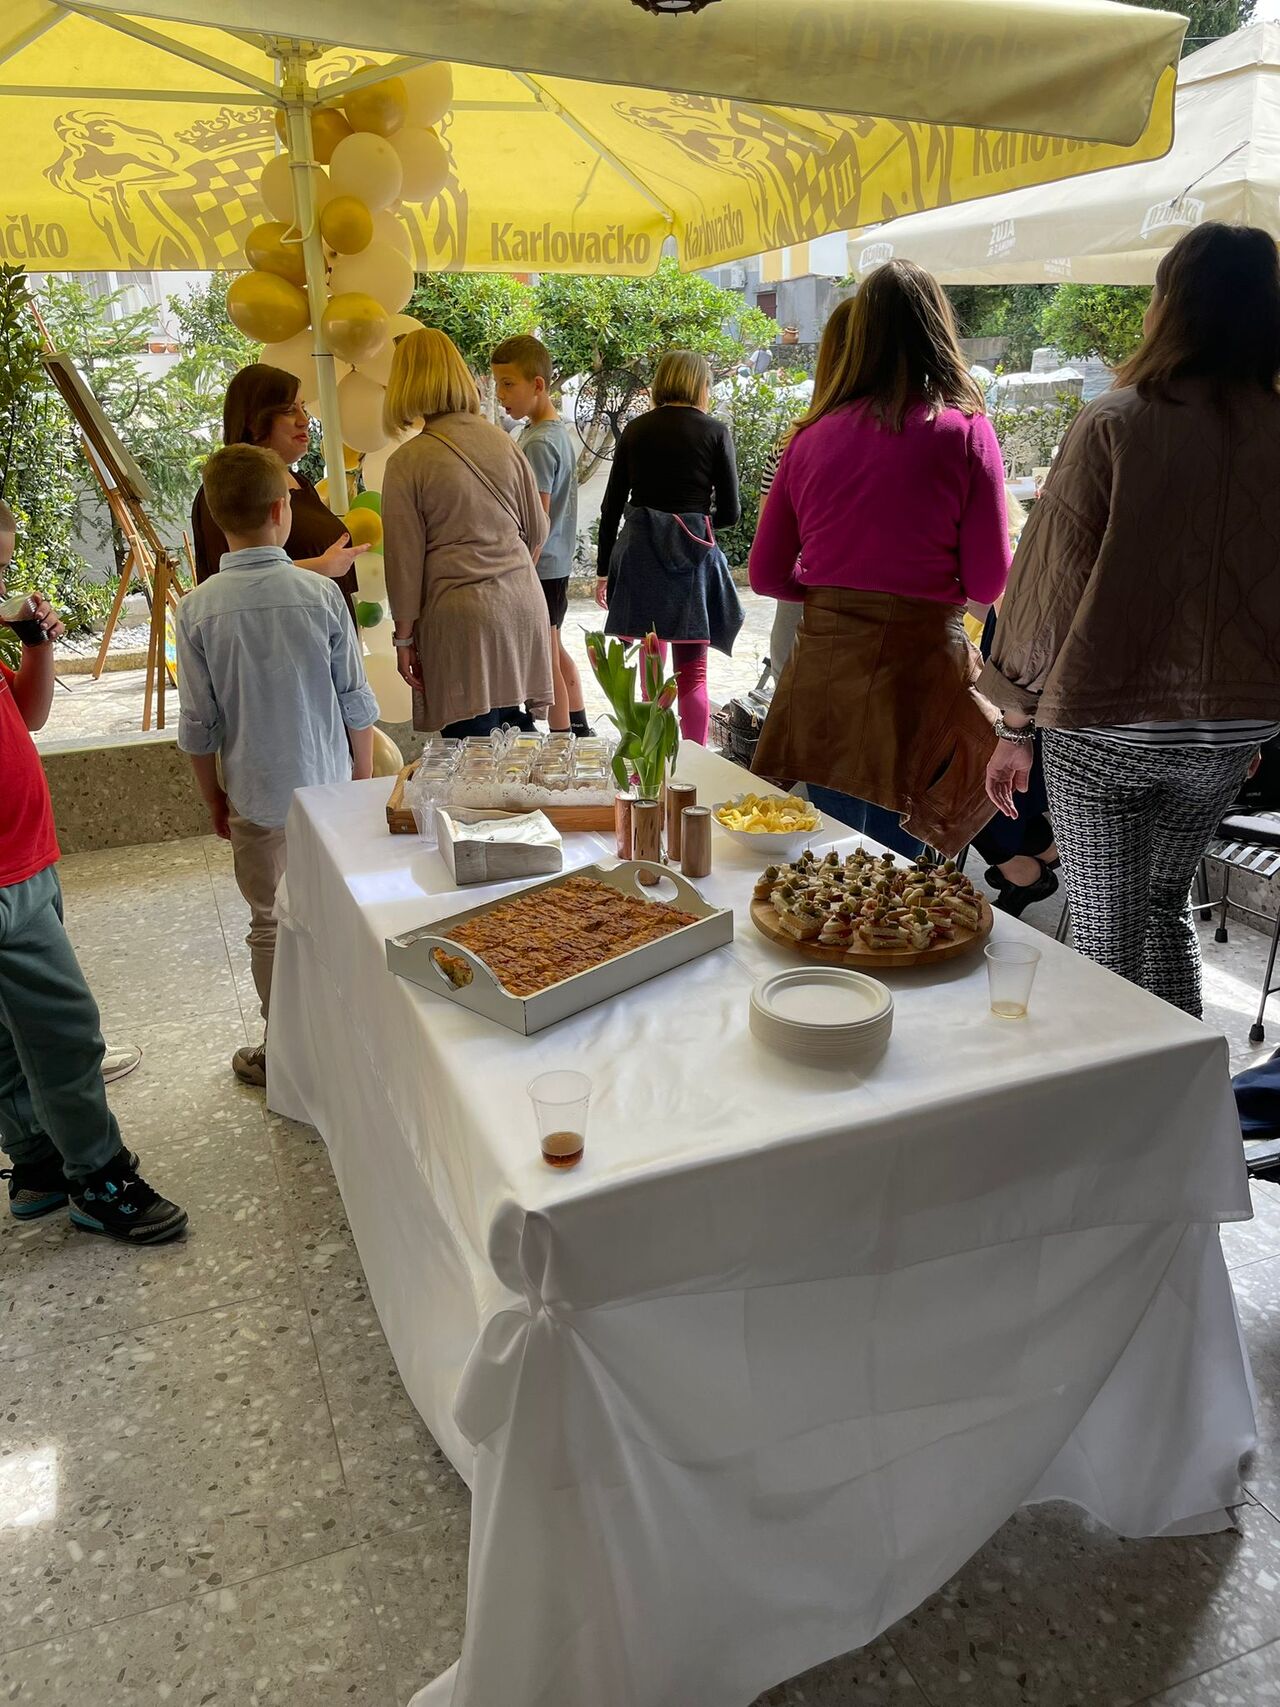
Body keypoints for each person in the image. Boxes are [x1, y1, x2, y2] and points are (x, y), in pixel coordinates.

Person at [982, 222, 1280, 1017]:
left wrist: (1014, 723)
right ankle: (1180, 1083)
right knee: (1163, 908)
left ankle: (1115, 1090)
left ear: (1170, 307)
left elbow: (1048, 590)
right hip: (1228, 736)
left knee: (1106, 939)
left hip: (1105, 727)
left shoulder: (1116, 421)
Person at [749, 260, 1010, 857]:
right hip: (919, 676)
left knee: (836, 858)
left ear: (860, 333)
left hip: (825, 675)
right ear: (939, 329)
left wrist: (835, 582)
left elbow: (764, 574)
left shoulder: (809, 436)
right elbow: (988, 580)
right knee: (899, 874)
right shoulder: (966, 432)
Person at [0, 501, 186, 1241]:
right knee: (64, 1030)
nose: (2, 585)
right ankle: (99, 1176)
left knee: (15, 1034)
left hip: (26, 861)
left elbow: (29, 715)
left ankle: (39, 1160)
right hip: (4, 880)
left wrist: (34, 647)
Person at [177, 446, 379, 1085]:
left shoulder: (196, 608)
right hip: (328, 793)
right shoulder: (321, 594)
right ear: (278, 510)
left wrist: (214, 797)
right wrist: (361, 783)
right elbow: (355, 702)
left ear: (218, 518)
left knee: (268, 922)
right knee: (336, 911)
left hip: (254, 795)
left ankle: (284, 1049)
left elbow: (199, 725)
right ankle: (349, 1038)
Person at [381, 327, 553, 737]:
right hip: (521, 605)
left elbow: (404, 563)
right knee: (516, 745)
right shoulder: (503, 441)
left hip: (461, 616)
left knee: (470, 755)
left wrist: (403, 640)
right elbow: (538, 528)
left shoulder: (408, 461)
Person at [596, 349, 743, 745]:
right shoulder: (715, 432)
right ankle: (694, 764)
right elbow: (731, 513)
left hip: (639, 557)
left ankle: (652, 761)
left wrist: (603, 571)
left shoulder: (636, 430)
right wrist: (692, 520)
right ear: (701, 385)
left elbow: (611, 507)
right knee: (693, 676)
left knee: (652, 671)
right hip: (692, 562)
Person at [190, 363, 368, 621]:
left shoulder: (300, 482)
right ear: (255, 421)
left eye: (303, 407)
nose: (304, 420)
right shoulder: (228, 489)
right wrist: (321, 566)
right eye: (289, 410)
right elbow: (229, 581)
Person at [490, 334, 592, 735]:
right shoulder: (554, 432)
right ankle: (579, 726)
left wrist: (522, 574)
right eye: (497, 383)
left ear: (537, 384)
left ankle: (563, 741)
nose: (500, 394)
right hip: (557, 565)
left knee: (546, 661)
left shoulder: (538, 443)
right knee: (555, 649)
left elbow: (537, 521)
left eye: (508, 383)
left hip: (540, 568)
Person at [758, 298, 858, 680]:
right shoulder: (936, 441)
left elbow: (768, 558)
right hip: (906, 629)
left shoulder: (794, 442)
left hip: (807, 609)